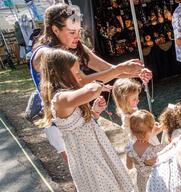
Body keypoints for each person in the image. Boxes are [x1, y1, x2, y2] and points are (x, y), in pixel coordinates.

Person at [38, 48, 159, 192]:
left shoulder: (66, 96)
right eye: (75, 72)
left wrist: (94, 113)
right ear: (60, 74)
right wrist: (103, 81)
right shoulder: (61, 98)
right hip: (90, 161)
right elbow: (89, 89)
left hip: (92, 155)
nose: (80, 76)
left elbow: (76, 125)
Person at [29, 3, 152, 161]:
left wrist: (133, 72)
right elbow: (80, 82)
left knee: (102, 163)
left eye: (79, 31)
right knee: (85, 168)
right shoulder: (46, 54)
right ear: (55, 29)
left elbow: (100, 65)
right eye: (72, 32)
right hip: (60, 125)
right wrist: (119, 70)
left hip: (81, 116)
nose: (77, 37)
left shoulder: (71, 44)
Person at [126, 110, 164, 192]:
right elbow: (159, 165)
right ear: (150, 131)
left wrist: (139, 165)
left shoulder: (129, 148)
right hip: (153, 182)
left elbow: (129, 166)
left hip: (141, 180)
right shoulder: (152, 151)